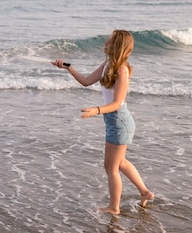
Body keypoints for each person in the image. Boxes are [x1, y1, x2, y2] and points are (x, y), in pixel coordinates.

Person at [52, 30, 154, 215]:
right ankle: (145, 192)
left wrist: (96, 110)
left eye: (109, 41)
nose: (105, 42)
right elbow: (86, 81)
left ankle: (114, 207)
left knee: (111, 167)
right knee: (119, 162)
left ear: (117, 46)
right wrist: (68, 67)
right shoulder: (108, 64)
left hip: (119, 120)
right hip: (114, 120)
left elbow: (116, 103)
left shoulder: (122, 69)